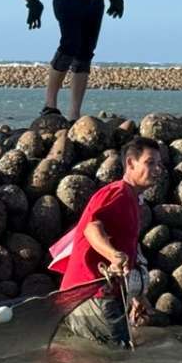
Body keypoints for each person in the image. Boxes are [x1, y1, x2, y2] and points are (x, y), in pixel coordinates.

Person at [52, 137, 164, 347]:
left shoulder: (132, 199)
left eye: (159, 164)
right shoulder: (117, 193)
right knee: (120, 358)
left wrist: (137, 295)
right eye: (150, 163)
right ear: (130, 163)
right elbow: (92, 228)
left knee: (103, 361)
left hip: (95, 295)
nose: (157, 169)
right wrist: (113, 255)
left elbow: (128, 248)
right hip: (92, 294)